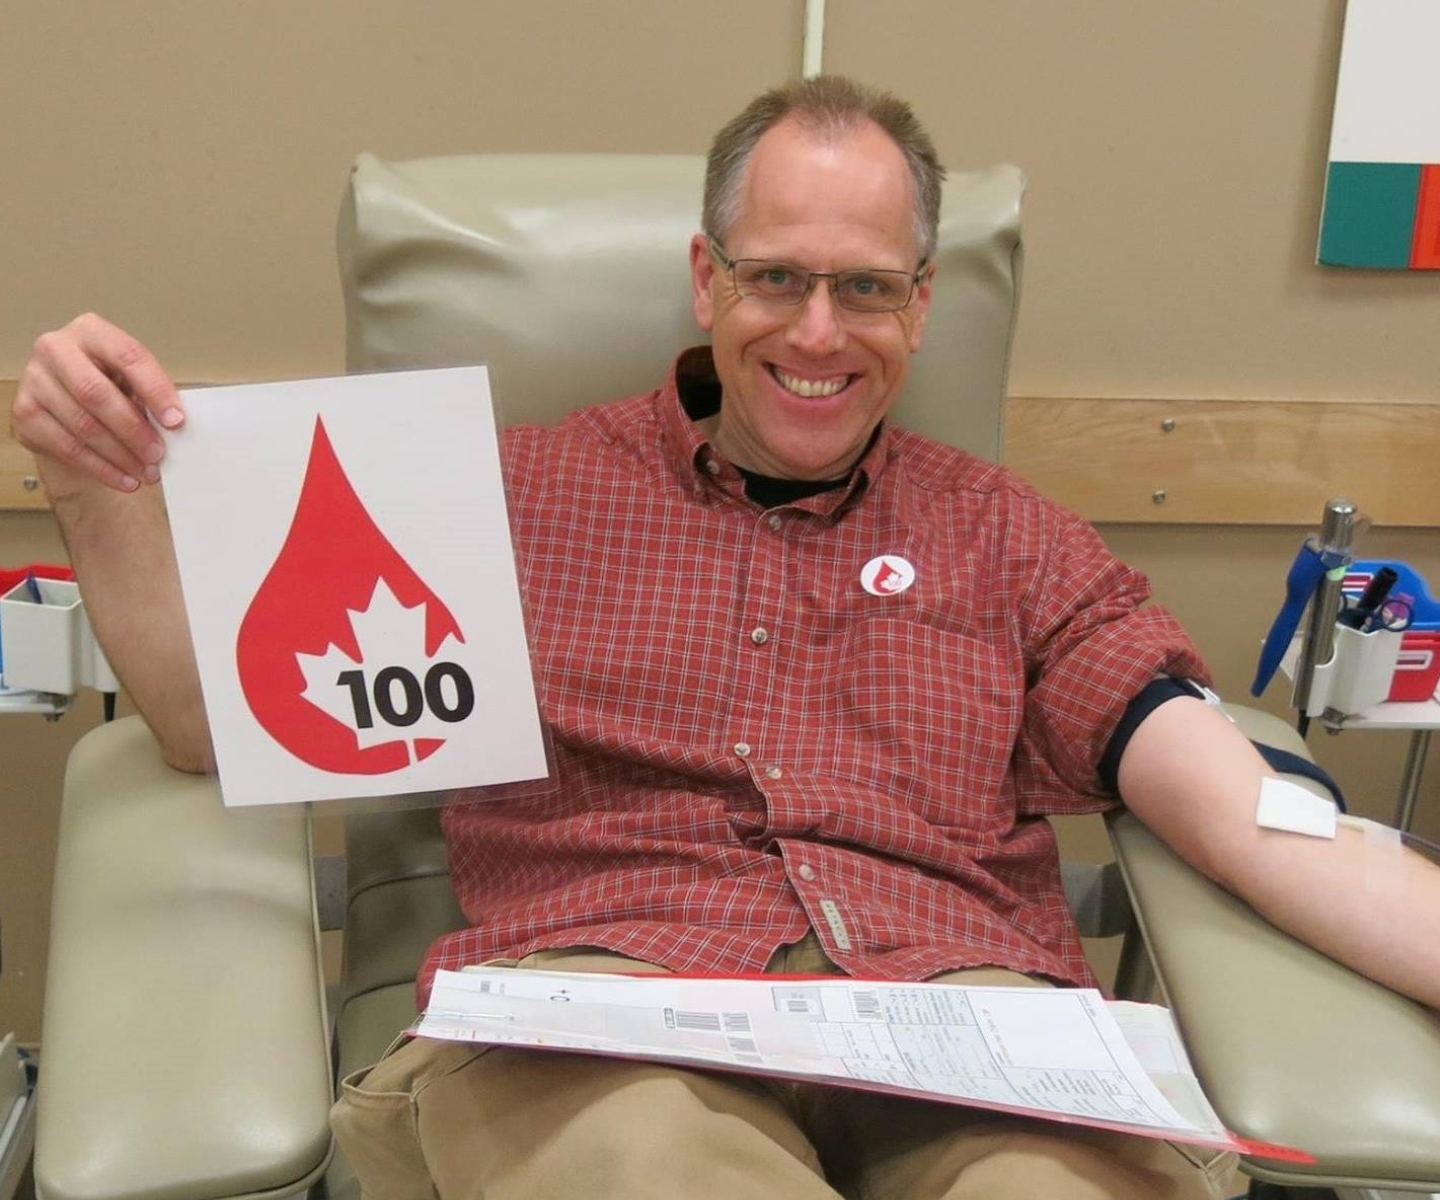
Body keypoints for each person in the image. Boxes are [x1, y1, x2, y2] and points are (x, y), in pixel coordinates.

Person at [13, 76, 1440, 1200]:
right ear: (707, 277)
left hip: (962, 1025)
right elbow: (212, 723)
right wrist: (99, 488)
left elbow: (1252, 816)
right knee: (647, 1169)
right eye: (776, 278)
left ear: (923, 302)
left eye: (868, 287)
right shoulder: (501, 500)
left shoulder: (1012, 540)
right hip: (610, 1023)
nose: (820, 331)